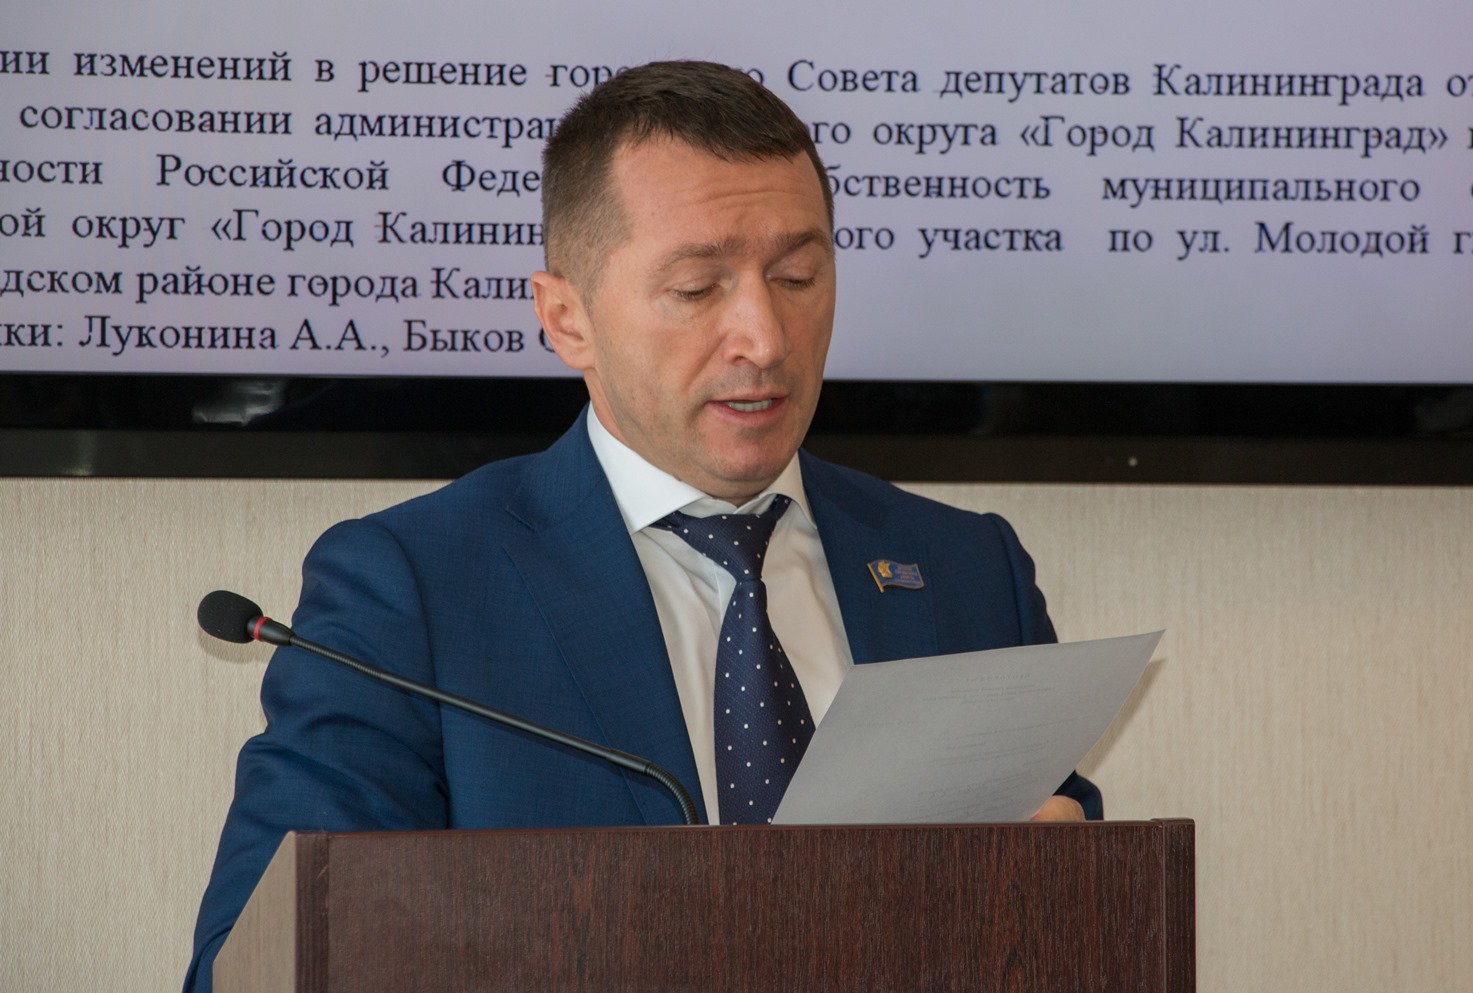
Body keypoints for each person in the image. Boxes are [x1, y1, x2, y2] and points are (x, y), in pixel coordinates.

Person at [182, 60, 1097, 993]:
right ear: (566, 319)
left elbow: (1078, 917)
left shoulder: (966, 569)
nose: (766, 338)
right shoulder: (412, 591)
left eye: (798, 275)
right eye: (697, 288)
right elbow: (253, 966)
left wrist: (1054, 893)